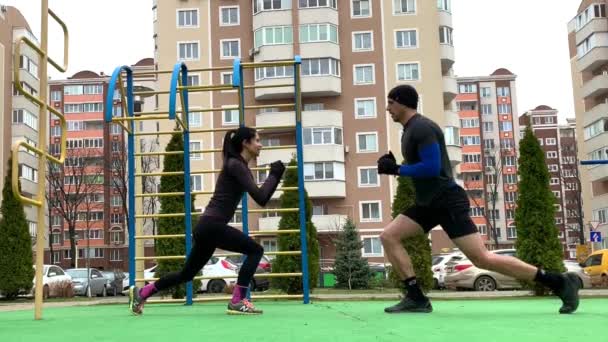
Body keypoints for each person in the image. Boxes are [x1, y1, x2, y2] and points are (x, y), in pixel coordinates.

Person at [376, 85, 580, 314]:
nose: (387, 108)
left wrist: (397, 170)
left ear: (402, 102)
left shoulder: (422, 127)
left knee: (482, 259)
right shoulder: (409, 130)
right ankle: (416, 298)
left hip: (446, 201)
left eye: (390, 103)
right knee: (389, 236)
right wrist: (396, 167)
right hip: (428, 202)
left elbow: (432, 168)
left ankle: (559, 282)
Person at [129, 126, 286, 315]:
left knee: (186, 274)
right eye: (257, 140)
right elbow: (261, 198)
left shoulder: (236, 164)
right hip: (213, 226)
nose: (260, 145)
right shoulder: (236, 165)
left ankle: (142, 293)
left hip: (207, 227)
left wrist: (273, 176)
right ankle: (238, 300)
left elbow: (260, 196)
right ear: (245, 143)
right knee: (256, 250)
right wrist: (275, 174)